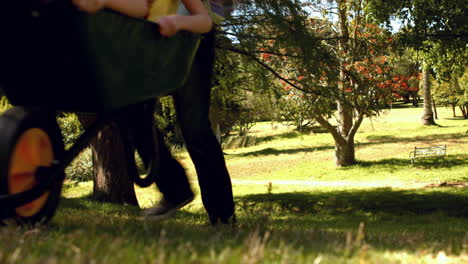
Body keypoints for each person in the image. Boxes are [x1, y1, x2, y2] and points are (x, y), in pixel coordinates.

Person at [72, 0, 236, 225]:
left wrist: (178, 22)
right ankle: (175, 189)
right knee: (134, 113)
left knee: (194, 127)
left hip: (191, 43)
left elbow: (206, 20)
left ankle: (222, 214)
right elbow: (144, 8)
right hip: (150, 40)